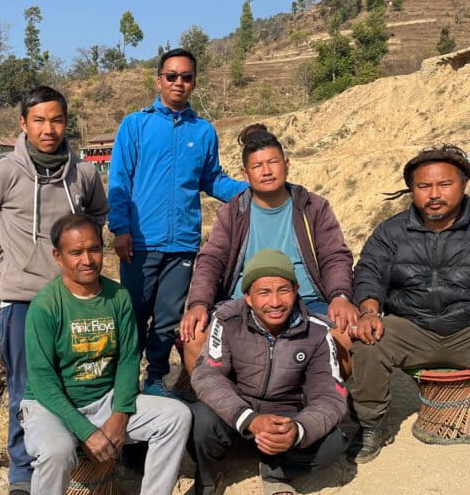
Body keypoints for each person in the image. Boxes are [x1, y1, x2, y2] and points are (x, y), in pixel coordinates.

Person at [0, 86, 109, 495]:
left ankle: (74, 458)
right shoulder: (4, 172)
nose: (49, 128)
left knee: (79, 380)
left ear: (66, 122)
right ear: (23, 124)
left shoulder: (83, 174)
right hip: (24, 300)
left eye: (57, 119)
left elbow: (98, 213)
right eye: (39, 120)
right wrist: (4, 264)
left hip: (74, 299)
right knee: (25, 389)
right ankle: (22, 475)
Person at [107, 48, 247, 396]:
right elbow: (120, 180)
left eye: (186, 77)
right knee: (134, 316)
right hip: (139, 242)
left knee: (168, 319)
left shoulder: (203, 132)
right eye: (171, 76)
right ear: (159, 80)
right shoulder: (136, 124)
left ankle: (155, 378)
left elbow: (212, 179)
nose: (178, 83)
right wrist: (120, 228)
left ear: (194, 83)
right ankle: (124, 382)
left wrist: (253, 189)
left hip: (182, 243)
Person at [20, 214, 191, 495]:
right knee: (56, 451)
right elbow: (42, 381)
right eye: (75, 252)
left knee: (176, 417)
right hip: (51, 407)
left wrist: (120, 415)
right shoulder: (45, 306)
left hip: (104, 401)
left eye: (94, 249)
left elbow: (127, 360)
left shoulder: (118, 297)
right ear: (58, 257)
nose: (87, 260)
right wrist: (85, 431)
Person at [180, 124, 357, 378]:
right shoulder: (234, 212)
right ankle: (220, 410)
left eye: (273, 162)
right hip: (243, 302)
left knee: (343, 332)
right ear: (245, 173)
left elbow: (334, 255)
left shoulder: (312, 207)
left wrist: (340, 295)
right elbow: (211, 260)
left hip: (306, 300)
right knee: (196, 336)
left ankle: (327, 404)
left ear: (286, 164)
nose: (266, 171)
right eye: (257, 166)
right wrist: (199, 304)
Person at [189, 249, 348, 495]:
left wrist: (297, 431)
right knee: (198, 420)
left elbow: (331, 397)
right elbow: (207, 375)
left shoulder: (318, 332)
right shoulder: (227, 319)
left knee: (334, 442)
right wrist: (249, 419)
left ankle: (275, 471)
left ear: (296, 291)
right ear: (249, 297)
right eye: (263, 292)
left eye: (283, 290)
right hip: (237, 414)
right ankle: (210, 478)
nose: (274, 302)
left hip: (284, 418)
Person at [349, 144, 470, 464]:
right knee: (368, 340)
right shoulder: (392, 230)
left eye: (445, 184)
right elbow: (369, 273)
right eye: (423, 186)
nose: (434, 194)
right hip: (412, 328)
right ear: (411, 190)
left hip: (466, 329)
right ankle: (371, 425)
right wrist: (369, 311)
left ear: (464, 184)